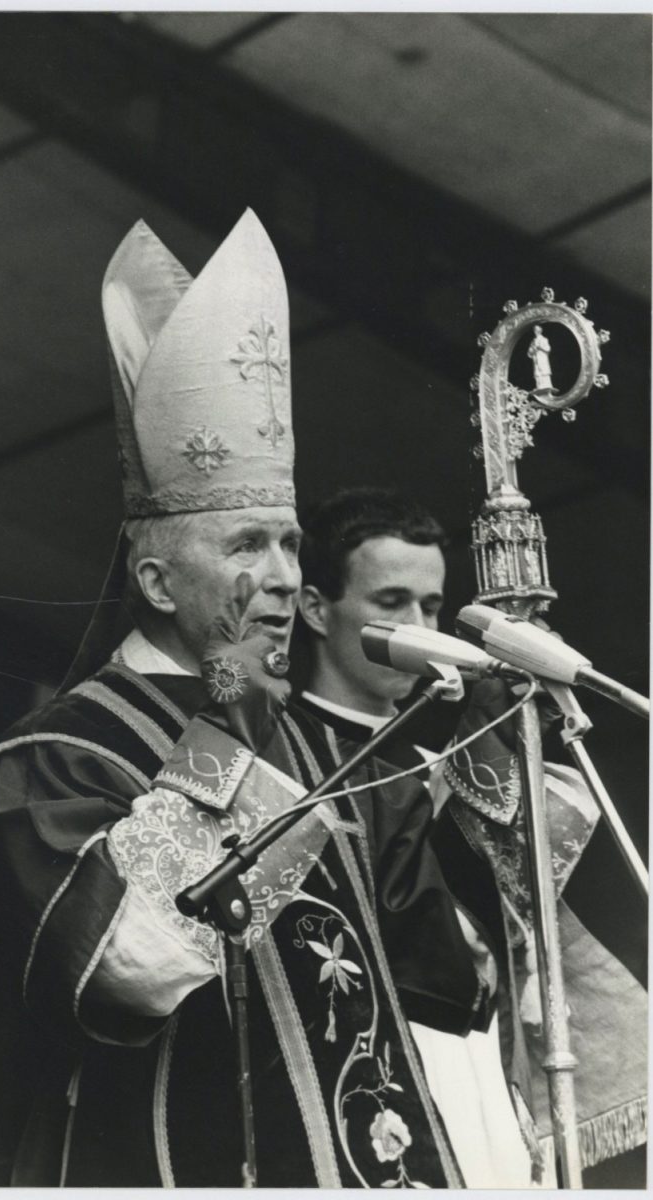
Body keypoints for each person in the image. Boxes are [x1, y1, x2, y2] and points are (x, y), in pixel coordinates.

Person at [0, 213, 473, 1188]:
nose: (282, 577)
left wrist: (464, 781)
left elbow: (443, 979)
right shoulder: (59, 756)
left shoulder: (299, 735)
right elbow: (121, 976)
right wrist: (223, 741)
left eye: (290, 544)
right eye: (245, 545)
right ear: (159, 581)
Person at [296, 485, 647, 1185]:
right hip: (372, 1076)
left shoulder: (448, 758)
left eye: (431, 606)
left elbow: (524, 918)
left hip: (486, 1075)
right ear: (314, 608)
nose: (420, 623)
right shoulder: (289, 757)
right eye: (391, 602)